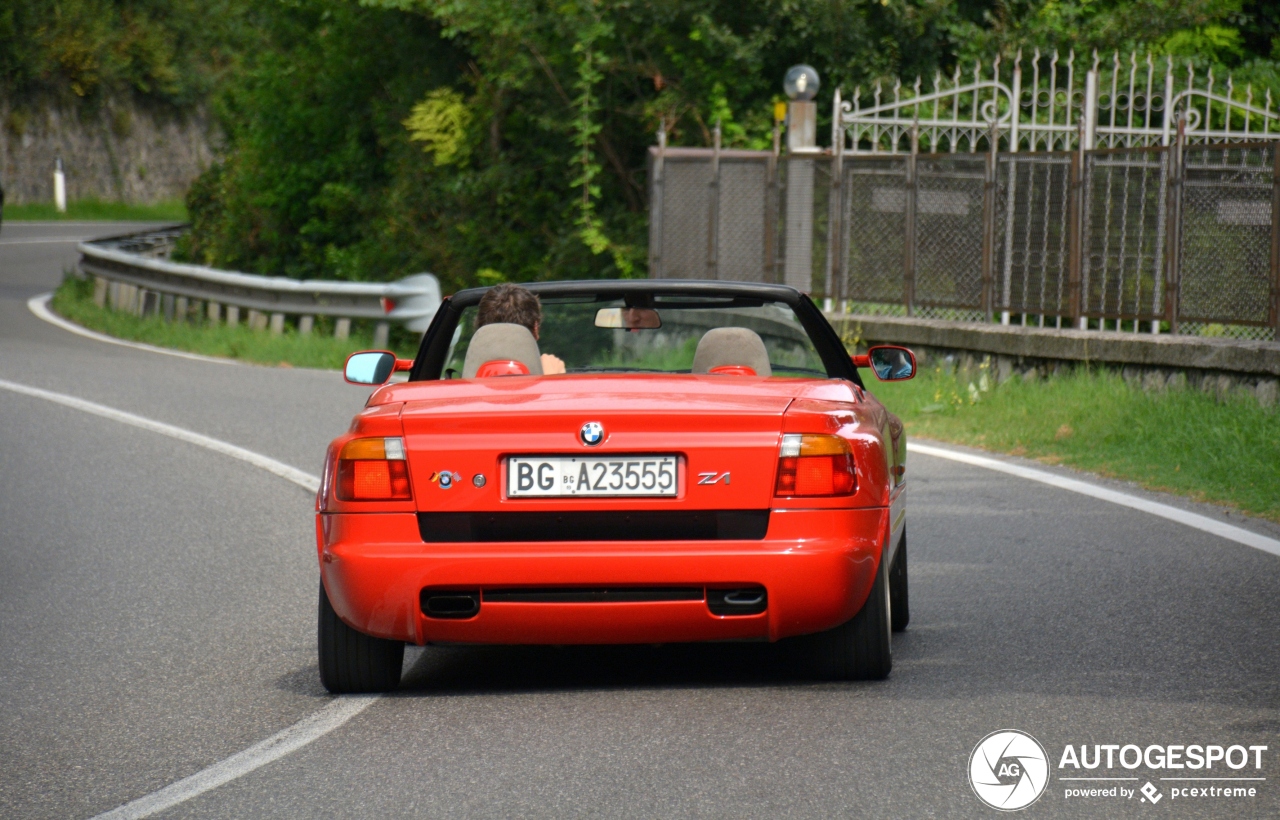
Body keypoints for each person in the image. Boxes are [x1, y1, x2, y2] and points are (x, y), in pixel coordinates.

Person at [475, 283, 566, 374]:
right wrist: (551, 379)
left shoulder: (466, 383)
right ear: (535, 328)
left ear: (479, 331)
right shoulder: (551, 370)